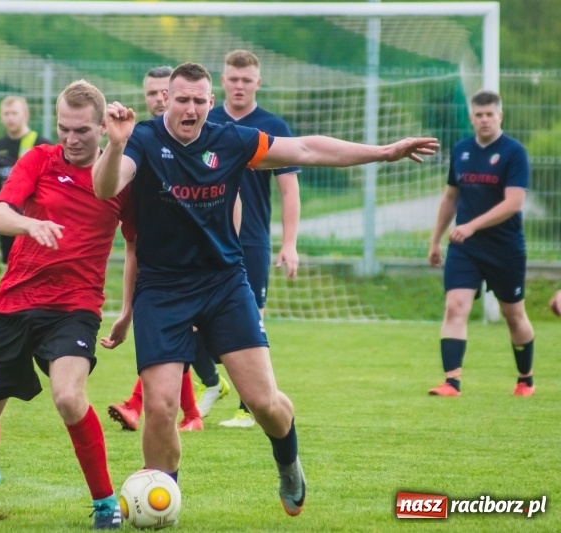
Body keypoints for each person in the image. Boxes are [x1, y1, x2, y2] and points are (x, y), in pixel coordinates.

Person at [92, 62, 438, 517]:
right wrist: (115, 144)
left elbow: (309, 149)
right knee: (159, 406)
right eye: (182, 99)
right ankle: (162, 501)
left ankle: (289, 463)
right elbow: (105, 187)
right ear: (166, 101)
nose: (190, 108)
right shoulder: (143, 139)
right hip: (163, 288)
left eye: (199, 100)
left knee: (264, 404)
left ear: (210, 104)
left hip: (223, 284)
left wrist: (384, 152)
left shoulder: (233, 141)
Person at [0, 80, 134, 530]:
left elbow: (138, 248)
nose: (70, 138)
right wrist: (29, 224)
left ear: (103, 127)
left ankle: (106, 504)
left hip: (74, 307)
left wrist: (126, 310)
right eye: (64, 128)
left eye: (82, 130)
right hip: (15, 302)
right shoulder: (39, 159)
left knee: (69, 396)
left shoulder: (122, 177)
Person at [107, 66, 208, 433]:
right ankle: (192, 413)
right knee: (172, 341)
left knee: (175, 340)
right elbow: (133, 245)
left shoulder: (201, 147)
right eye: (149, 93)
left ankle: (146, 406)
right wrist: (126, 310)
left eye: (160, 93)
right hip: (160, 275)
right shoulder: (137, 150)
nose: (154, 100)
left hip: (206, 273)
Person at [206, 49, 301, 428]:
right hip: (206, 238)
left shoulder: (271, 125)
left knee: (251, 319)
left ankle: (250, 407)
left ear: (258, 83)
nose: (240, 85)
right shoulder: (206, 121)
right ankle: (210, 384)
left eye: (247, 80)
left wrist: (289, 242)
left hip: (252, 241)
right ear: (223, 81)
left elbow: (289, 190)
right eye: (233, 78)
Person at [427, 89, 535, 398]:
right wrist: (435, 240)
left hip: (505, 248)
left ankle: (525, 379)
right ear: (472, 117)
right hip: (465, 248)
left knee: (513, 315)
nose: (485, 119)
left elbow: (514, 203)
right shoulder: (461, 150)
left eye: (490, 114)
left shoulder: (514, 152)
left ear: (500, 116)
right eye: (479, 114)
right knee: (455, 306)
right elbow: (451, 197)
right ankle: (452, 382)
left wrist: (471, 225)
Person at [0, 95, 51, 264]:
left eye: (14, 113)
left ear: (25, 115)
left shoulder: (40, 144)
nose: (10, 118)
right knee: (11, 267)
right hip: (7, 218)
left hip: (34, 220)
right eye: (6, 113)